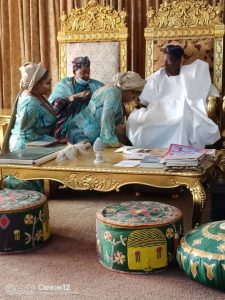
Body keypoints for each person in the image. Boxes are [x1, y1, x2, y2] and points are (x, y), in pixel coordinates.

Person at [126, 44, 221, 149]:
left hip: (182, 111)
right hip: (158, 111)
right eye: (164, 60)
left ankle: (179, 155)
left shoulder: (191, 76)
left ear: (178, 61)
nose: (164, 64)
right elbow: (144, 100)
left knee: (180, 121)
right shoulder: (157, 77)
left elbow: (206, 91)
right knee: (141, 123)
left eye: (169, 61)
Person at [2, 62, 60, 192]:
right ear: (36, 83)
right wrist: (53, 141)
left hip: (37, 141)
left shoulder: (37, 95)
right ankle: (11, 183)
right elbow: (25, 134)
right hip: (24, 147)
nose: (51, 86)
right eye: (48, 83)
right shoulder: (31, 104)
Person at [67, 71, 146, 147]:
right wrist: (115, 143)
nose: (136, 97)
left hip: (80, 130)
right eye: (135, 93)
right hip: (81, 133)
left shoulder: (112, 90)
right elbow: (107, 118)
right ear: (129, 89)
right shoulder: (114, 93)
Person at [48, 56, 104, 139]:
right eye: (83, 72)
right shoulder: (64, 84)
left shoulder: (96, 85)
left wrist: (93, 97)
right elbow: (53, 108)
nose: (87, 75)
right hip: (67, 121)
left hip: (91, 119)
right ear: (74, 72)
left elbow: (108, 100)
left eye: (88, 72)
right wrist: (73, 97)